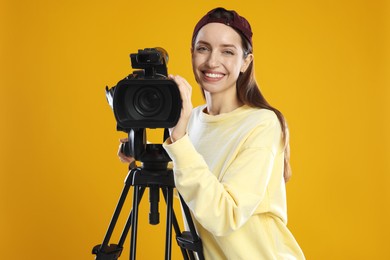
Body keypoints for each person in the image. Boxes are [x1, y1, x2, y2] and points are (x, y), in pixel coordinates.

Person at [119, 7, 305, 259]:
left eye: (227, 51)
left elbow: (224, 214)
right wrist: (143, 152)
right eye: (203, 48)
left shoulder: (262, 124)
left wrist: (180, 139)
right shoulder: (192, 119)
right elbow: (196, 188)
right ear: (192, 53)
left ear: (245, 61)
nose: (212, 62)